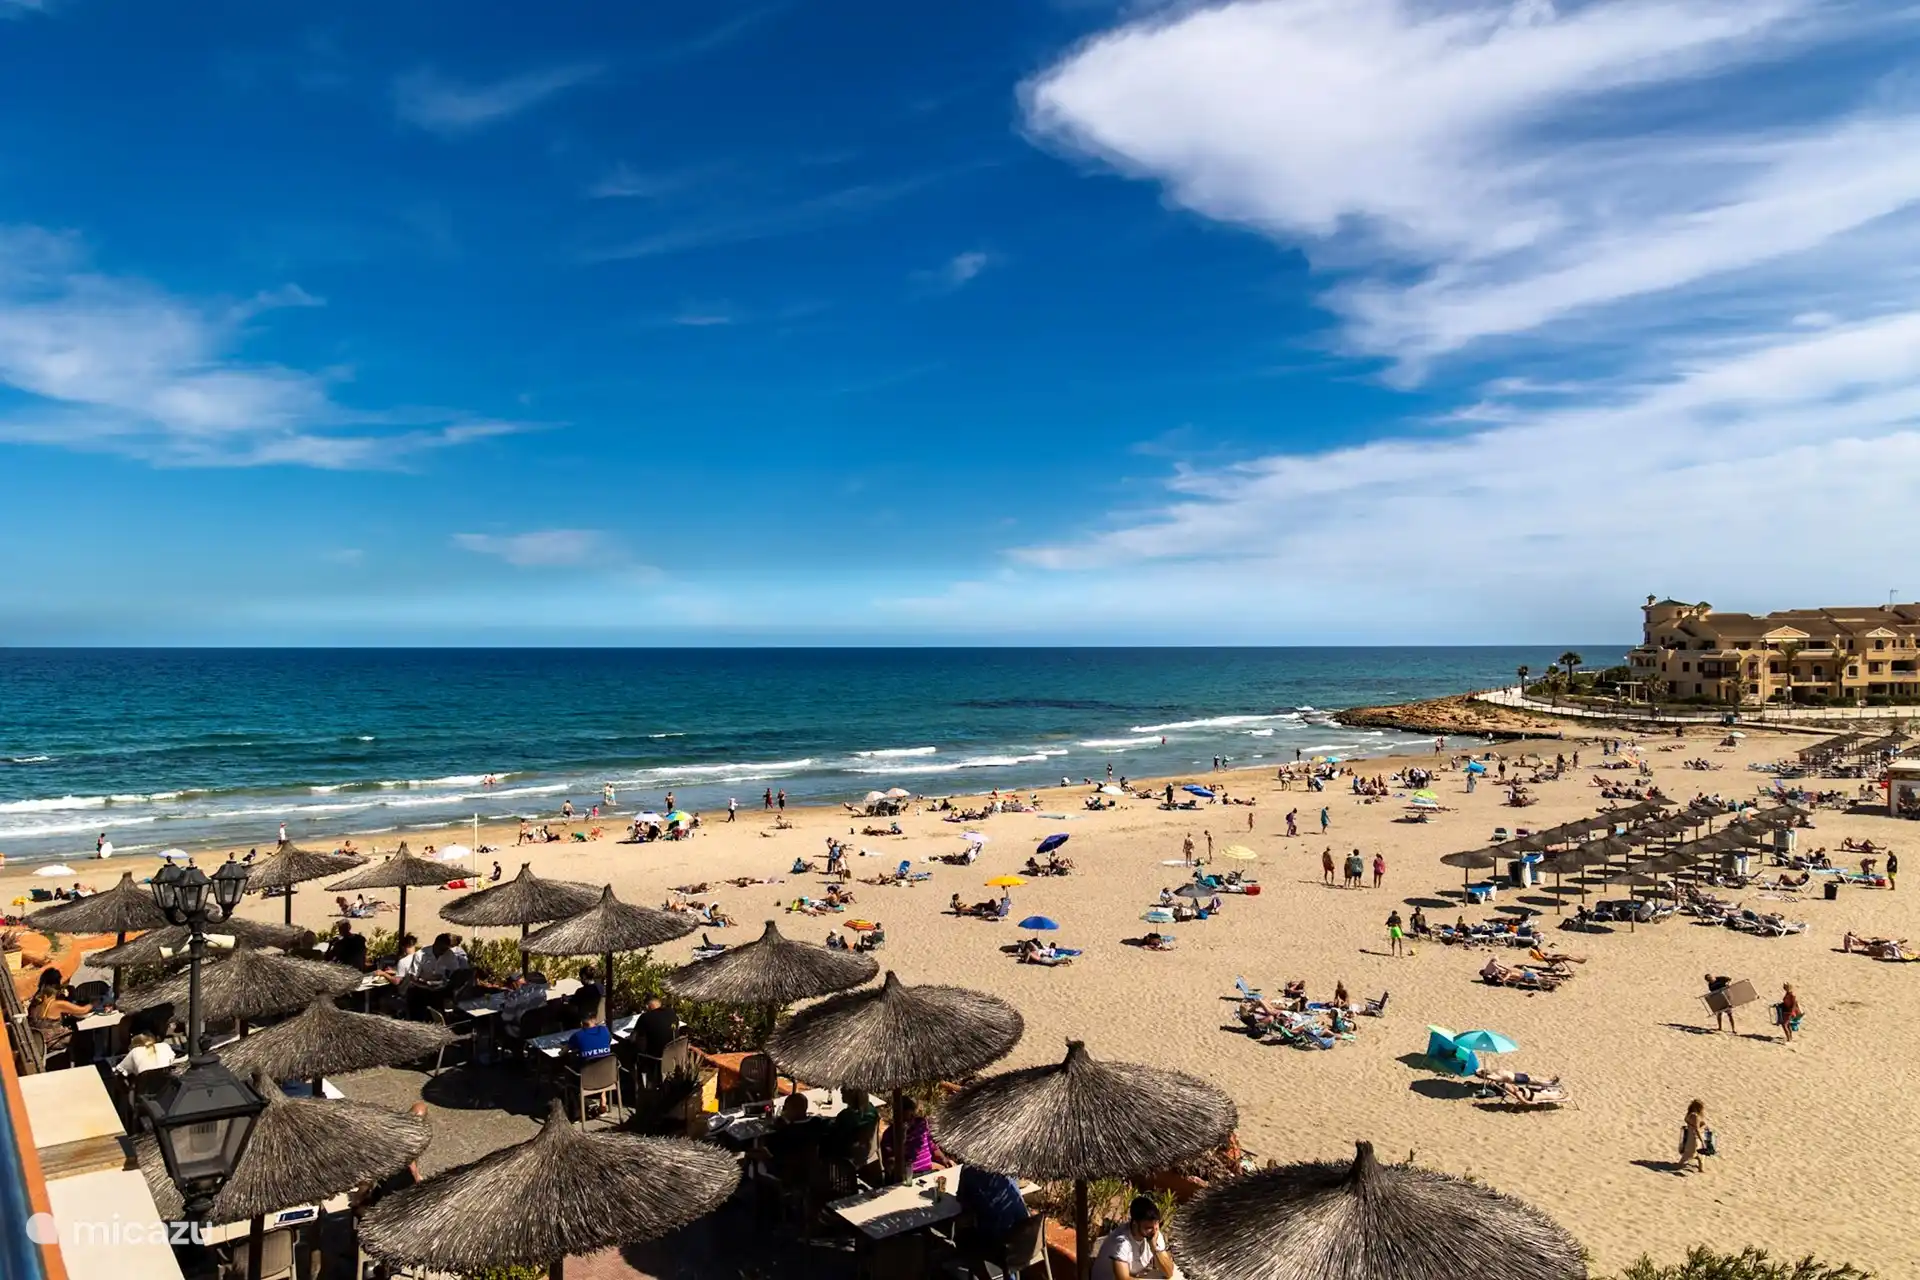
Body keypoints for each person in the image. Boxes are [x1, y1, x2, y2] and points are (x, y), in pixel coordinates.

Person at [958, 1165, 1033, 1274]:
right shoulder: (1008, 1168)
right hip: (1028, 1241)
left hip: (1005, 1249)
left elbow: (963, 1203)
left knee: (962, 1237)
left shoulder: (969, 1171)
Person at [1097, 1196, 1177, 1279]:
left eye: (1156, 1224)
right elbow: (1123, 1279)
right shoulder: (1121, 1243)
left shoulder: (1153, 1233)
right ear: (1135, 1224)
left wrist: (1154, 1248)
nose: (1154, 1230)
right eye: (1148, 1227)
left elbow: (1169, 1272)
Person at [26, 969, 93, 1059]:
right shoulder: (57, 1004)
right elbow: (83, 1010)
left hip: (39, 1041)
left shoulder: (36, 1001)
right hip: (53, 1041)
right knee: (85, 1034)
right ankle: (84, 1060)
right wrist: (94, 1003)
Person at [881, 1095, 948, 1178]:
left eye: (912, 1116)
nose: (911, 1121)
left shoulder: (921, 1123)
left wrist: (943, 1159)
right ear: (896, 1117)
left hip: (928, 1171)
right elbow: (889, 1165)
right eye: (906, 1119)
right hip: (909, 1176)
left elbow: (931, 1144)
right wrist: (901, 1140)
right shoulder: (889, 1134)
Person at [1678, 1099, 1708, 1173]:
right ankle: (1701, 1170)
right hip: (1695, 1139)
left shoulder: (1689, 1114)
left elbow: (1688, 1122)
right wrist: (1703, 1141)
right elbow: (1697, 1130)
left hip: (1690, 1137)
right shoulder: (1695, 1116)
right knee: (1696, 1154)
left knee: (1690, 1154)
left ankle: (1700, 1169)